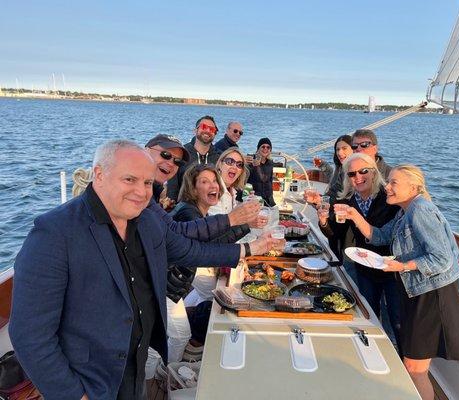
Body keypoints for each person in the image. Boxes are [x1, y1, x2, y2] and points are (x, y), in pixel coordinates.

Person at [9, 140, 279, 400]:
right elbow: (30, 335)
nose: (141, 191)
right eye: (130, 180)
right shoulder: (54, 233)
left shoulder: (146, 219)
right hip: (90, 380)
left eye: (148, 183)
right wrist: (74, 395)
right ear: (99, 174)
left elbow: (189, 250)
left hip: (136, 368)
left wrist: (252, 249)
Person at [340, 164, 459, 400]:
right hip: (418, 293)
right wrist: (353, 215)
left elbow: (442, 259)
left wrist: (402, 266)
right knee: (414, 366)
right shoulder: (404, 212)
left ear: (414, 187)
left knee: (414, 368)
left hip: (433, 296)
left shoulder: (420, 210)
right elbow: (379, 235)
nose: (387, 187)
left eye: (393, 183)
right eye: (388, 181)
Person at [318, 153, 401, 348]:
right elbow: (335, 232)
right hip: (365, 267)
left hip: (391, 268)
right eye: (352, 174)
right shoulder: (348, 201)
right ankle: (372, 348)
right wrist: (323, 220)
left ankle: (396, 353)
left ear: (374, 172)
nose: (358, 177)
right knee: (368, 311)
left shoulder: (387, 197)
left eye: (363, 171)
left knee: (395, 318)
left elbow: (391, 233)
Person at [166, 115, 222, 200]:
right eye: (204, 127)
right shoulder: (181, 153)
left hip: (212, 209)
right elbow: (172, 187)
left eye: (212, 129)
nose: (207, 131)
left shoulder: (219, 157)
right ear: (195, 130)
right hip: (185, 207)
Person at [145, 133, 190, 207]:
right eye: (165, 155)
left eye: (177, 161)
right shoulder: (137, 190)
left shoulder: (155, 191)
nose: (171, 164)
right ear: (146, 151)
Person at [247, 137, 276, 206]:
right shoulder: (250, 161)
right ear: (258, 149)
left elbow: (265, 179)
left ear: (270, 150)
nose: (265, 149)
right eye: (263, 147)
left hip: (268, 198)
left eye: (268, 147)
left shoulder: (270, 163)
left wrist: (257, 166)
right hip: (254, 198)